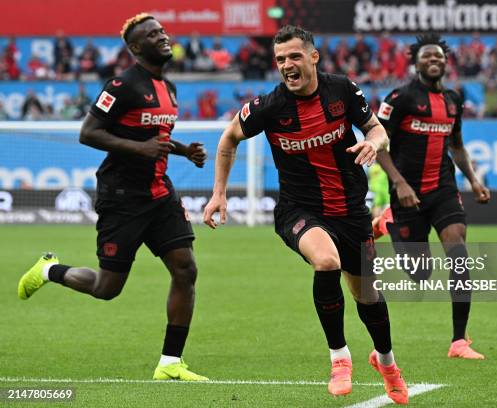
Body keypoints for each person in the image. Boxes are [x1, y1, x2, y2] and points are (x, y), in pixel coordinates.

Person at [203, 25, 408, 404]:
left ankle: (387, 363)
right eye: (280, 59)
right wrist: (219, 194)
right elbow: (228, 137)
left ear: (313, 57)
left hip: (349, 210)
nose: (286, 65)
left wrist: (373, 143)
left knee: (367, 296)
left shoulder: (342, 90)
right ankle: (339, 359)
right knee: (326, 261)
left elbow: (378, 131)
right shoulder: (269, 107)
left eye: (294, 56)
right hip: (298, 209)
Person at [17, 13, 208, 381]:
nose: (163, 36)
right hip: (122, 197)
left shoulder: (169, 88)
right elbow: (88, 133)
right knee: (108, 289)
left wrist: (184, 151)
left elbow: (155, 138)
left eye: (163, 31)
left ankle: (170, 363)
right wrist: (140, 150)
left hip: (159, 192)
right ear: (136, 48)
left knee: (186, 269)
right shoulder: (121, 86)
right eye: (152, 34)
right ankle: (48, 270)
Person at [373, 33, 491, 360]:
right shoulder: (401, 98)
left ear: (446, 61)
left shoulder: (453, 100)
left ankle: (459, 341)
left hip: (443, 189)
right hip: (407, 194)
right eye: (427, 56)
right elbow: (378, 144)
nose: (434, 60)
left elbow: (457, 146)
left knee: (458, 252)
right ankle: (388, 221)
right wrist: (399, 183)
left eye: (438, 56)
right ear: (416, 62)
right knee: (420, 273)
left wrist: (474, 181)